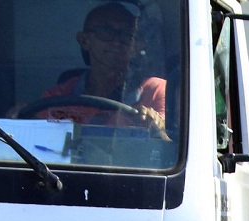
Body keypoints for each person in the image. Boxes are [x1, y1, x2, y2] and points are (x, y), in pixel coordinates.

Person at [30, 2, 167, 139]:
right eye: (105, 31)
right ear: (84, 40)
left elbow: (169, 147)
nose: (116, 42)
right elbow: (36, 140)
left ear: (137, 46)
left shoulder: (154, 91)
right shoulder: (58, 96)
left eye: (127, 34)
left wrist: (158, 128)